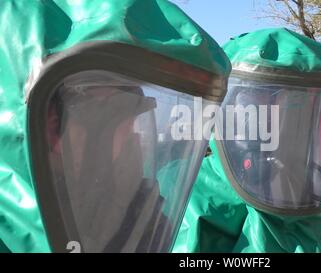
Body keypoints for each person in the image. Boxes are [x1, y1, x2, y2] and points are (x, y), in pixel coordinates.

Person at [0, 0, 230, 253]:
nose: (135, 139)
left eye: (130, 117)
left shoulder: (137, 211)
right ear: (47, 125)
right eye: (108, 114)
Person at [172, 28, 321, 253]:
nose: (268, 122)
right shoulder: (190, 194)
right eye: (255, 105)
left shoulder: (318, 200)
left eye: (282, 108)